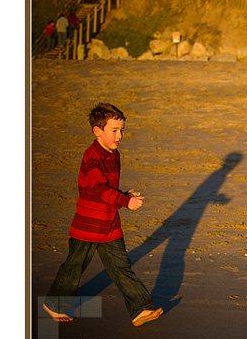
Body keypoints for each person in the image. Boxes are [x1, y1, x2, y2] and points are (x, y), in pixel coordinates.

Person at [43, 103, 163, 327]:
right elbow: (98, 189)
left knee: (121, 266)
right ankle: (54, 305)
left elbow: (107, 189)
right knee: (74, 266)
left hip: (109, 223)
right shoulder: (92, 158)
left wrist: (122, 194)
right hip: (88, 225)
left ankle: (141, 309)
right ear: (98, 131)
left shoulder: (113, 154)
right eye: (114, 130)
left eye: (122, 130)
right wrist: (125, 201)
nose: (120, 136)